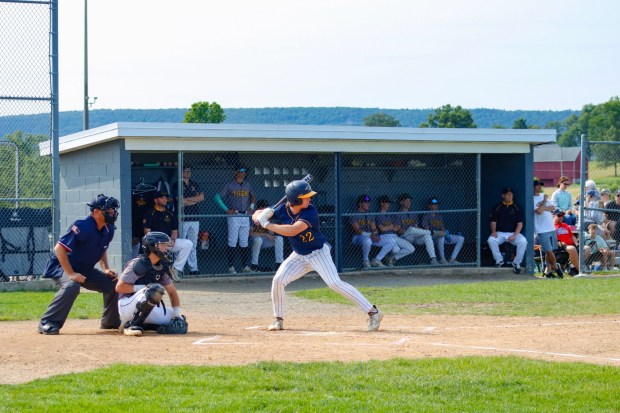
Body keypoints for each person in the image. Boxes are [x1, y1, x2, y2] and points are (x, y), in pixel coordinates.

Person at [252, 180, 383, 332]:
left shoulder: (310, 211)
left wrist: (267, 224)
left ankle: (374, 312)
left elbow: (293, 230)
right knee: (278, 280)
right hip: (299, 255)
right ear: (296, 199)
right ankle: (278, 320)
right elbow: (255, 215)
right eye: (306, 197)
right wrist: (262, 214)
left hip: (318, 253)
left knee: (334, 283)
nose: (310, 199)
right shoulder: (282, 209)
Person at [38, 194, 121, 335]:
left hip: (85, 270)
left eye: (113, 210)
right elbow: (59, 248)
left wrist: (105, 268)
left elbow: (103, 248)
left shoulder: (109, 229)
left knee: (114, 284)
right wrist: (71, 274)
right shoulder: (83, 226)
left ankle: (110, 322)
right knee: (72, 285)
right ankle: (47, 323)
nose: (112, 213)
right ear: (96, 212)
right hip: (61, 267)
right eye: (108, 210)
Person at [116, 231, 188, 336]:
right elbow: (119, 287)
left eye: (166, 245)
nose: (166, 248)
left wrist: (177, 315)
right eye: (162, 244)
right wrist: (144, 288)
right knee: (154, 290)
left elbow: (172, 292)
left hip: (148, 306)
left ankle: (148, 325)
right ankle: (130, 325)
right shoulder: (138, 264)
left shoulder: (161, 266)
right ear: (152, 246)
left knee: (180, 322)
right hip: (127, 305)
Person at [142, 190, 193, 281]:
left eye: (165, 197)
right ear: (156, 200)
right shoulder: (150, 213)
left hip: (168, 242)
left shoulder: (170, 213)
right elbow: (147, 233)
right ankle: (158, 273)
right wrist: (159, 242)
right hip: (154, 244)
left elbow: (174, 231)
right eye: (162, 198)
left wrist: (173, 240)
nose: (165, 199)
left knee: (188, 243)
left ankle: (175, 269)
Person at [214, 166, 255, 274]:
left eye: (244, 171)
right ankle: (231, 267)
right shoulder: (230, 184)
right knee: (232, 241)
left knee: (244, 241)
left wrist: (251, 206)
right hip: (234, 215)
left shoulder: (247, 184)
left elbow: (253, 196)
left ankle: (245, 266)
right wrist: (226, 209)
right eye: (240, 171)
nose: (242, 173)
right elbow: (217, 197)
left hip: (245, 215)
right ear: (235, 172)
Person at [487, 186, 527, 274]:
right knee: (491, 240)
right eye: (508, 194)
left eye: (511, 194)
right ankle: (499, 260)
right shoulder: (498, 207)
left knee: (523, 241)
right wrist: (493, 231)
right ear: (503, 196)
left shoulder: (517, 207)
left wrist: (515, 235)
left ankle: (516, 263)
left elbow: (520, 224)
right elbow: (493, 221)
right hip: (500, 233)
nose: (510, 196)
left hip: (513, 233)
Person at [172, 164, 203, 276]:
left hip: (194, 218)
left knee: (193, 245)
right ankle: (178, 269)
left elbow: (201, 198)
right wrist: (193, 200)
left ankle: (193, 268)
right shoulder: (177, 184)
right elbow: (180, 200)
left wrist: (187, 200)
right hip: (182, 218)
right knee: (180, 244)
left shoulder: (194, 184)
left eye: (189, 170)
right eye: (186, 170)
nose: (188, 172)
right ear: (181, 172)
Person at [349, 194, 395, 268]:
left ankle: (376, 260)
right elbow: (357, 230)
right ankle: (365, 261)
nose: (368, 204)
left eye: (369, 202)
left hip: (370, 236)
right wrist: (370, 235)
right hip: (357, 237)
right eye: (366, 202)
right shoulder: (354, 214)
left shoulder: (370, 214)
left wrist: (375, 234)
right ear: (360, 203)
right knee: (367, 240)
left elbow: (373, 228)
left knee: (391, 241)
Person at [396, 193, 439, 265]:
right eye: (406, 201)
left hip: (415, 237)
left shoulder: (413, 213)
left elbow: (416, 227)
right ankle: (431, 232)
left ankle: (433, 259)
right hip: (404, 237)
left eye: (410, 201)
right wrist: (407, 230)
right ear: (401, 202)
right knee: (411, 229)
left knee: (427, 236)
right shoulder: (397, 214)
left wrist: (417, 231)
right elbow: (399, 230)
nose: (409, 203)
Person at [534, 178, 563, 278]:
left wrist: (543, 206)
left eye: (540, 185)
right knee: (549, 250)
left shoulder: (543, 196)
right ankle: (556, 268)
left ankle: (548, 272)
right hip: (542, 230)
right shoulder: (532, 198)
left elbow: (553, 208)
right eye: (537, 185)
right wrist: (545, 201)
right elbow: (539, 211)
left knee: (549, 251)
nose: (539, 187)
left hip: (551, 228)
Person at [421, 197, 465, 265]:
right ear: (429, 206)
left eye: (436, 204)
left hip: (441, 236)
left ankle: (452, 259)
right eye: (433, 204)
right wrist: (441, 233)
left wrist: (446, 233)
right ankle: (442, 259)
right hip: (432, 237)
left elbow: (442, 228)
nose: (435, 206)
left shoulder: (439, 216)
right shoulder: (426, 215)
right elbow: (426, 230)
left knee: (461, 238)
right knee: (441, 236)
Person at [375, 195, 414, 266]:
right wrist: (391, 226)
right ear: (382, 203)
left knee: (411, 249)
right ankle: (385, 260)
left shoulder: (391, 214)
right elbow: (382, 229)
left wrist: (389, 227)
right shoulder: (378, 214)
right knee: (396, 249)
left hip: (394, 236)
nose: (389, 205)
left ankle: (390, 259)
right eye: (387, 203)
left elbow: (397, 228)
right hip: (385, 236)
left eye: (389, 203)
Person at [250, 199, 284, 271]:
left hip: (264, 240)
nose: (265, 209)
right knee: (258, 240)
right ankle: (254, 265)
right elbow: (251, 234)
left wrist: (268, 222)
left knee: (279, 238)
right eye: (263, 208)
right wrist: (265, 234)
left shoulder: (268, 216)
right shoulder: (254, 217)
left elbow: (271, 233)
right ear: (259, 208)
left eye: (266, 207)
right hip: (253, 241)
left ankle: (279, 263)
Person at [553, 209, 580, 274]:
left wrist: (576, 243)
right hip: (561, 247)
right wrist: (558, 243)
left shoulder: (565, 225)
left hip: (571, 245)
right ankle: (580, 270)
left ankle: (573, 268)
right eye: (559, 215)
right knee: (572, 249)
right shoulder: (552, 226)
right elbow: (551, 239)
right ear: (554, 216)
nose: (561, 217)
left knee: (586, 249)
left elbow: (572, 236)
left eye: (562, 216)